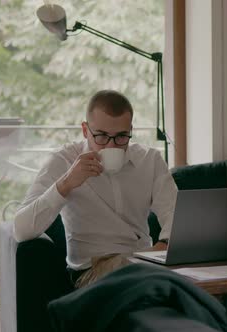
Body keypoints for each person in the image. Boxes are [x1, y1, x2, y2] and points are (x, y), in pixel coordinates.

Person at [13, 90, 177, 288]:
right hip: (91, 272)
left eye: (121, 136)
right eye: (101, 136)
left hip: (143, 263)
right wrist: (66, 183)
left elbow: (174, 212)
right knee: (157, 289)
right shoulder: (64, 160)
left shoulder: (149, 160)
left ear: (130, 130)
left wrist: (164, 246)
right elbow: (20, 230)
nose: (111, 145)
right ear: (85, 130)